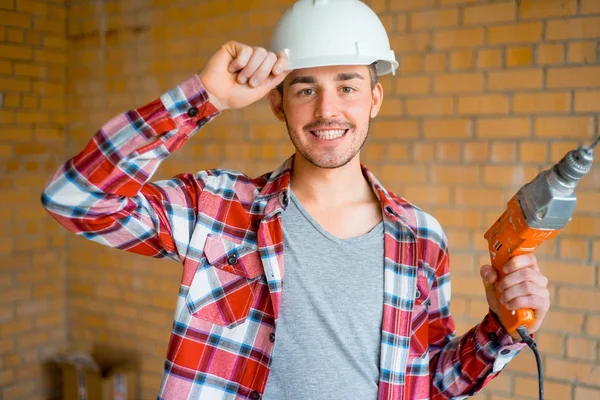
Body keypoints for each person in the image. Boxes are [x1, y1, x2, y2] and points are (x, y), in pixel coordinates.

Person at [41, 0, 550, 399]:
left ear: (374, 97)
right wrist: (207, 97)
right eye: (306, 89)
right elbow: (76, 200)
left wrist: (501, 329)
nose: (328, 110)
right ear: (277, 103)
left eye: (347, 86)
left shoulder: (422, 237)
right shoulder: (218, 208)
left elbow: (435, 384)